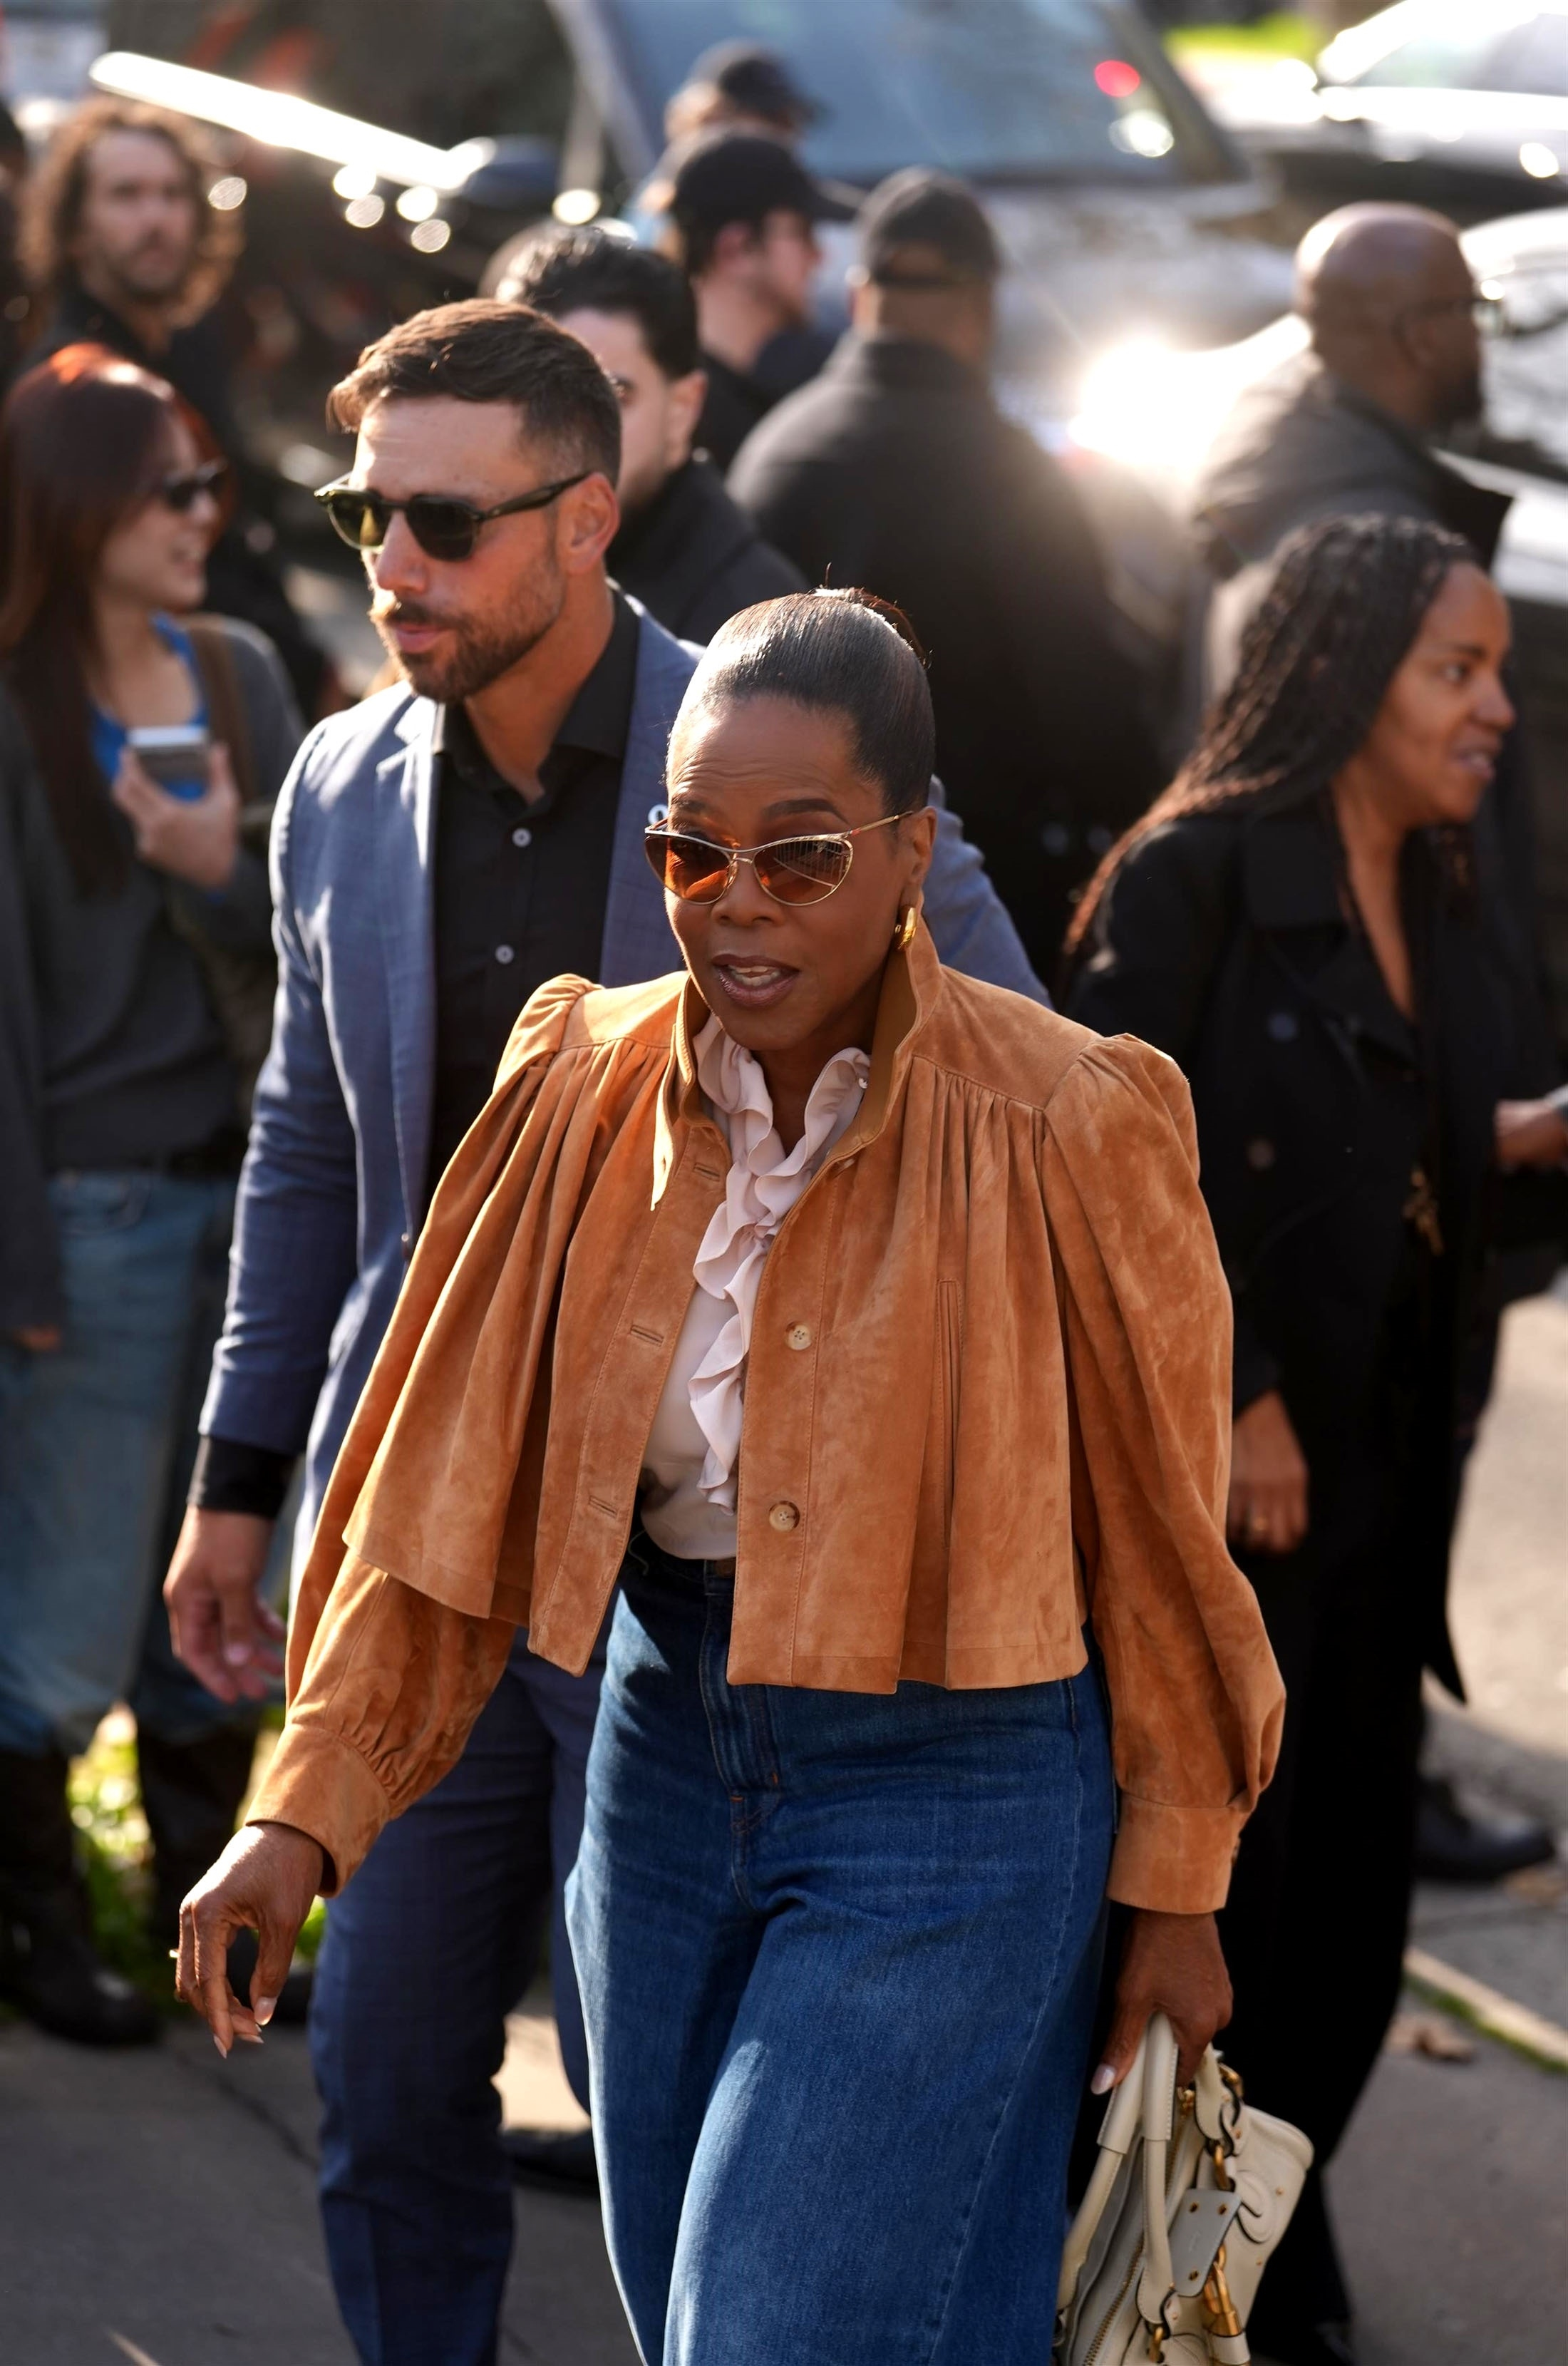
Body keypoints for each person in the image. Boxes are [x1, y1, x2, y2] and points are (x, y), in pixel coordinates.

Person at [177, 584, 1282, 2366]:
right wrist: (299, 1808)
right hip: (660, 1759)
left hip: (962, 1783)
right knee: (695, 2306)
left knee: (771, 2331)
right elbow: (438, 1481)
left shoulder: (1068, 1116)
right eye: (692, 853)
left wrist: (1179, 1881)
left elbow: (1161, 1545)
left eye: (802, 855)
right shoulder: (576, 1082)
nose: (737, 903)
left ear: (911, 852)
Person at [160, 301, 1044, 2366]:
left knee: (677, 2111)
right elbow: (308, 1148)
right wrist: (234, 1477)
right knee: (382, 2065)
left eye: (447, 522)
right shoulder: (339, 777)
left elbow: (1014, 1081)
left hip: (687, 1559)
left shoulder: (761, 760)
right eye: (367, 513)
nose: (395, 563)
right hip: (426, 1521)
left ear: (588, 519)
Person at [1065, 515, 1568, 2366]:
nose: (1494, 706)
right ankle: (1162, 2292)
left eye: (1495, 669)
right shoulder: (1190, 874)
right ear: (1346, 676)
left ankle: (1241, 2249)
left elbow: (1409, 1151)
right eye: (1458, 668)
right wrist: (1238, 1389)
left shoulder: (1444, 878)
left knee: (1350, 1934)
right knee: (1216, 1924)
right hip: (1226, 1515)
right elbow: (1104, 1172)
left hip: (1385, 1484)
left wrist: (1520, 1144)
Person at [1193, 200, 1562, 1883]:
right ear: (1415, 333)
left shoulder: (1293, 473)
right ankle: (1353, 1798)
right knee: (1352, 1537)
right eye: (1458, 671)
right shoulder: (1358, 536)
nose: (1487, 705)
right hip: (1360, 1192)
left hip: (1403, 1140)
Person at [0, 344, 302, 2045]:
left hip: (253, 1193)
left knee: (229, 1584)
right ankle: (45, 1932)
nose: (203, 513)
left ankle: (214, 1923)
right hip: (92, 1213)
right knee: (61, 1606)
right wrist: (22, 1258)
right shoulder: (13, 704)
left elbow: (318, 941)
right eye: (167, 489)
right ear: (75, 508)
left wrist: (215, 865)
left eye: (207, 482)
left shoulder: (241, 672)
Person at [730, 169, 1163, 980]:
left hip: (779, 900)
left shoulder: (774, 454)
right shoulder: (1012, 474)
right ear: (983, 307)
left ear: (859, 296)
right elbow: (1091, 714)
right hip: (981, 912)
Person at [21, 95, 333, 714]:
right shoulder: (72, 385)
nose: (156, 218)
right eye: (126, 195)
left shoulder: (192, 346)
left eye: (172, 194)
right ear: (75, 228)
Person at [491, 225, 805, 642]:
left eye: (612, 397)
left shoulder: (752, 629)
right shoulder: (461, 546)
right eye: (536, 393)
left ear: (682, 411)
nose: (568, 431)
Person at [657, 130, 854, 472]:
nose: (819, 256)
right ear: (737, 249)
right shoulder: (676, 420)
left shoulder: (743, 395)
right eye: (802, 232)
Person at [662, 39, 822, 148]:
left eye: (789, 122)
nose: (785, 134)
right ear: (712, 122)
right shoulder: (670, 188)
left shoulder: (812, 187)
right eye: (770, 119)